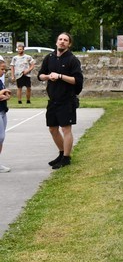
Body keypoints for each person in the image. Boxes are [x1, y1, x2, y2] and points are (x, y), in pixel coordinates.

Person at [38, 32, 83, 169]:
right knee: (52, 129)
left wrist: (60, 76)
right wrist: (47, 77)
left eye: (65, 40)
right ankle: (61, 152)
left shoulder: (72, 60)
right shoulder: (49, 57)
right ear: (56, 42)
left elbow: (77, 81)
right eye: (60, 39)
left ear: (69, 44)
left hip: (66, 100)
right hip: (53, 100)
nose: (62, 42)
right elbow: (40, 75)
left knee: (66, 129)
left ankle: (66, 158)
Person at [0, 61, 12, 172]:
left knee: (1, 139)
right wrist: (3, 91)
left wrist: (6, 96)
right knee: (0, 137)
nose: (3, 72)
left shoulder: (0, 81)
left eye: (5, 70)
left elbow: (3, 95)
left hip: (3, 111)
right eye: (2, 69)